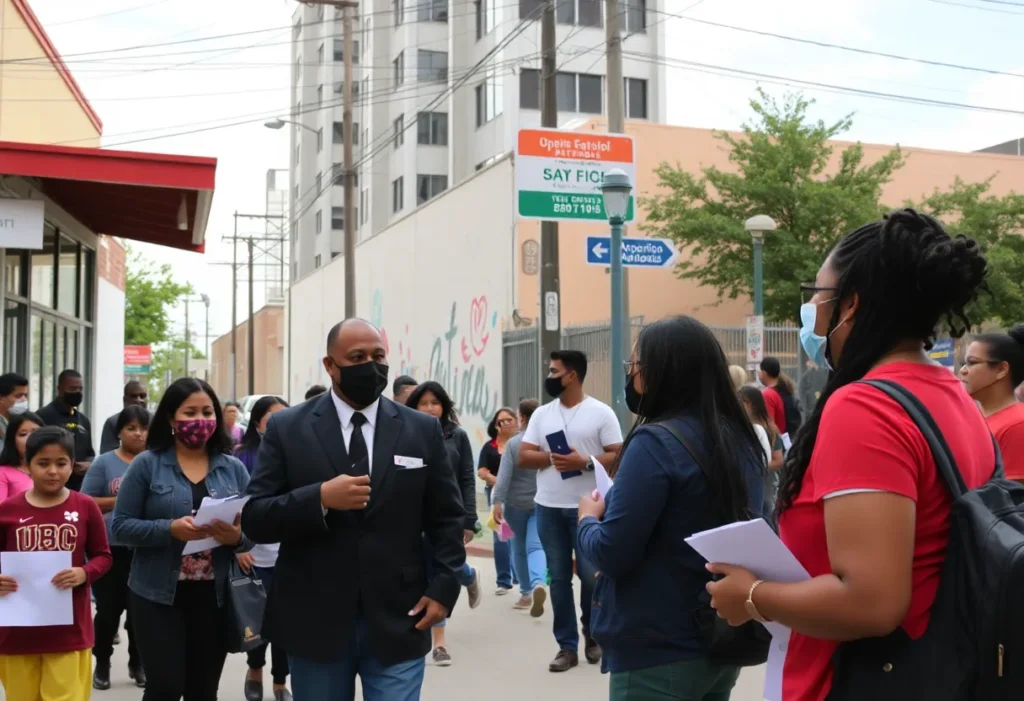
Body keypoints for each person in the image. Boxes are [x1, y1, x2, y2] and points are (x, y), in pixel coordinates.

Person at [704, 209, 993, 701]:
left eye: (817, 296)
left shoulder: (864, 406)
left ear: (851, 304)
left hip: (857, 679)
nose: (810, 311)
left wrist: (751, 597)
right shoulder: (950, 393)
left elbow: (872, 601)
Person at [241, 318, 466, 701]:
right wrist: (319, 499)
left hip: (401, 615)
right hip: (315, 619)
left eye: (378, 356)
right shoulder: (287, 428)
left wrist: (444, 588)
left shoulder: (421, 430)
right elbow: (257, 517)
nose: (371, 365)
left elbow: (447, 517)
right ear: (330, 366)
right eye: (357, 357)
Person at [577, 315, 765, 701]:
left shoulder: (653, 442)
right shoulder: (741, 440)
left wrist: (586, 521)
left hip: (656, 651)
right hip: (719, 640)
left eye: (635, 367)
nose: (631, 377)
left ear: (663, 371)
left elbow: (613, 553)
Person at [111, 378, 251, 701]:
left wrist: (237, 537)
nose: (200, 421)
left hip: (214, 597)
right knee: (165, 687)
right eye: (190, 412)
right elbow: (120, 526)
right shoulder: (148, 465)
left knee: (203, 691)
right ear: (172, 419)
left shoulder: (233, 469)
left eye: (207, 412)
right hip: (157, 594)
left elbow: (253, 533)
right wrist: (169, 528)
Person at [519, 349, 624, 673]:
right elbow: (524, 455)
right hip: (548, 507)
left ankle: (593, 637)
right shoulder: (542, 415)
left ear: (572, 375)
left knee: (592, 578)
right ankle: (566, 647)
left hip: (588, 509)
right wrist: (554, 457)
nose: (549, 377)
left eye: (554, 371)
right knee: (559, 579)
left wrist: (584, 462)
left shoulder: (601, 413)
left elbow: (619, 456)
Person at [0, 426, 113, 701]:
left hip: (69, 632)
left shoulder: (85, 506)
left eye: (61, 463)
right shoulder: (7, 511)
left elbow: (104, 556)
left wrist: (84, 572)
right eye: (43, 463)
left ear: (72, 466)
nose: (53, 471)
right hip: (17, 633)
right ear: (26, 466)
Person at [404, 380, 482, 667]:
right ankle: (468, 576)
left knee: (440, 569)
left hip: (447, 519)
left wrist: (469, 520)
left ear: (444, 406)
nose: (428, 408)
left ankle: (439, 644)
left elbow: (466, 478)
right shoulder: (403, 434)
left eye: (434, 403)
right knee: (428, 572)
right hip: (412, 519)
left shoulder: (456, 436)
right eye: (422, 403)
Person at [82, 405, 150, 691]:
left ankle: (138, 663)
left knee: (140, 613)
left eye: (144, 428)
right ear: (119, 432)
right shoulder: (105, 464)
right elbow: (87, 501)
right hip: (111, 548)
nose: (138, 434)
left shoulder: (155, 462)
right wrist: (122, 500)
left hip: (145, 548)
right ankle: (103, 663)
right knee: (109, 611)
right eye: (131, 428)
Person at [234, 395, 293, 701]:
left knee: (285, 624)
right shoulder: (242, 457)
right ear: (257, 424)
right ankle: (254, 669)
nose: (281, 426)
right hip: (253, 556)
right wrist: (238, 547)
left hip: (290, 556)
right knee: (256, 623)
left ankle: (280, 682)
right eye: (272, 420)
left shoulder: (301, 454)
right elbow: (233, 507)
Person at [492, 398, 547, 615]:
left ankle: (526, 593)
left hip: (515, 505)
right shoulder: (546, 441)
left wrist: (497, 502)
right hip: (542, 502)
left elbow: (504, 477)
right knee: (536, 546)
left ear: (522, 418)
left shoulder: (515, 444)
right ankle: (539, 582)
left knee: (518, 549)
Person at [959, 326, 1024, 481]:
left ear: (1001, 369)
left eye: (972, 363)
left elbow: (1010, 498)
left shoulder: (1017, 426)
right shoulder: (973, 418)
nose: (962, 370)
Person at [478, 407, 519, 595]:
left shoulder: (523, 444)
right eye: (501, 421)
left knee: (520, 534)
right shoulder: (490, 447)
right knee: (501, 535)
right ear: (496, 425)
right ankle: (503, 580)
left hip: (520, 494)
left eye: (509, 419)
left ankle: (521, 577)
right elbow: (482, 471)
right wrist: (497, 481)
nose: (506, 423)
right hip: (495, 494)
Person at [37, 369, 94, 492]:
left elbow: (90, 453)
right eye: (72, 389)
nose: (77, 393)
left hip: (80, 486)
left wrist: (88, 465)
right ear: (60, 389)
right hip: (53, 483)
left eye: (80, 389)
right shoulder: (43, 416)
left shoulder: (83, 420)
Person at [738, 385, 785, 515]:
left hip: (767, 486)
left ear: (754, 404)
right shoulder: (741, 428)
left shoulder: (769, 430)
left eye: (744, 402)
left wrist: (755, 466)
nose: (739, 405)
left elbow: (778, 460)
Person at [0, 412, 42, 502]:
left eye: (36, 432)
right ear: (13, 441)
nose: (30, 438)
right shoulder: (2, 473)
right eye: (23, 434)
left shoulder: (53, 470)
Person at [99, 381, 148, 454]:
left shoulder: (156, 421)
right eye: (133, 396)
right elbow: (107, 453)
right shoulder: (113, 422)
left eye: (142, 396)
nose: (139, 400)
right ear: (124, 399)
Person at [757, 357, 801, 437]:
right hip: (790, 437)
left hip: (778, 441)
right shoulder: (786, 389)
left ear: (764, 373)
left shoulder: (768, 394)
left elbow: (770, 424)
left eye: (759, 371)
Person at [0, 373, 29, 447]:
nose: (24, 400)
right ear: (1, 398)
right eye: (18, 396)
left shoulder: (26, 420)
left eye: (25, 395)